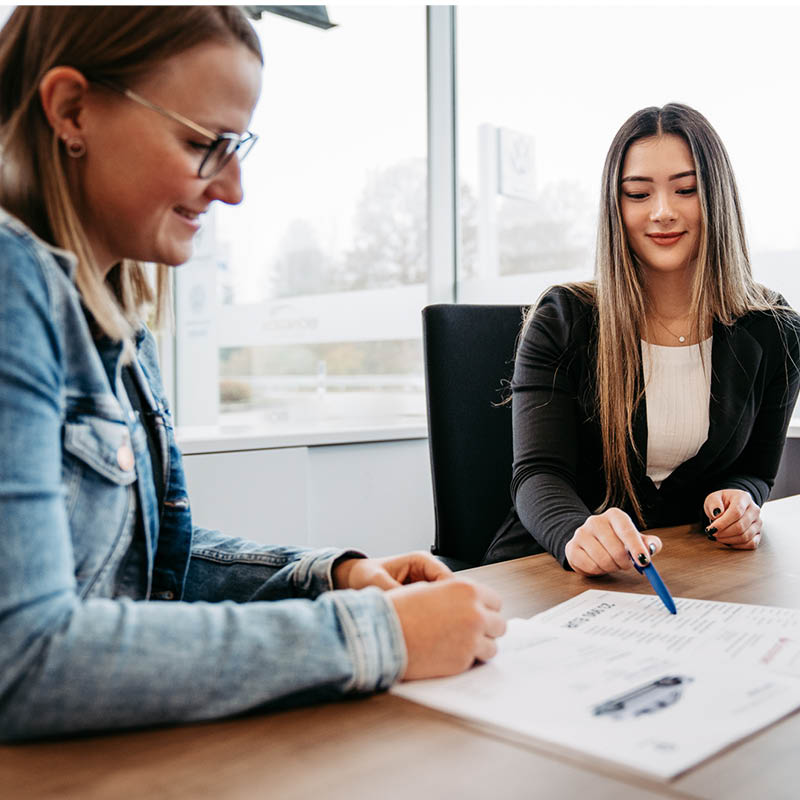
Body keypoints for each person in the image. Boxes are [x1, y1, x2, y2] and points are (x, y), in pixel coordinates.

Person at [0, 6, 506, 742]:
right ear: (72, 110)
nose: (233, 189)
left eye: (237, 146)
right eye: (204, 143)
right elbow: (26, 658)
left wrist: (329, 576)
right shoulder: (12, 288)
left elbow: (152, 565)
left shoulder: (117, 326)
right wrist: (374, 637)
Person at [483, 103, 800, 575]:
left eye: (686, 189)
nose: (663, 212)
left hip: (684, 570)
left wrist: (742, 500)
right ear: (616, 205)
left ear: (717, 198)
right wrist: (575, 532)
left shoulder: (775, 330)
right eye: (637, 193)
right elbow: (538, 473)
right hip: (549, 568)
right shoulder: (564, 319)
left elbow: (755, 469)